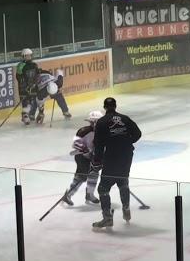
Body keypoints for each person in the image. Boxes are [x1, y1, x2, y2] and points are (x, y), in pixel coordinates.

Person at [91, 98, 142, 229]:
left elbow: (98, 144)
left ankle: (107, 218)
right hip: (126, 155)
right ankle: (126, 209)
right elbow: (137, 134)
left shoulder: (101, 122)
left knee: (103, 188)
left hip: (111, 156)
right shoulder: (125, 118)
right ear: (115, 106)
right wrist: (127, 141)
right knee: (123, 181)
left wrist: (97, 161)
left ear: (104, 107)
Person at [61, 110, 103, 206]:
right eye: (95, 122)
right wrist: (87, 153)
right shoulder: (83, 131)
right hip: (82, 157)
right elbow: (76, 145)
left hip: (94, 157)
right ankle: (68, 195)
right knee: (82, 176)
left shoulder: (102, 132)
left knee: (94, 174)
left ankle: (90, 194)